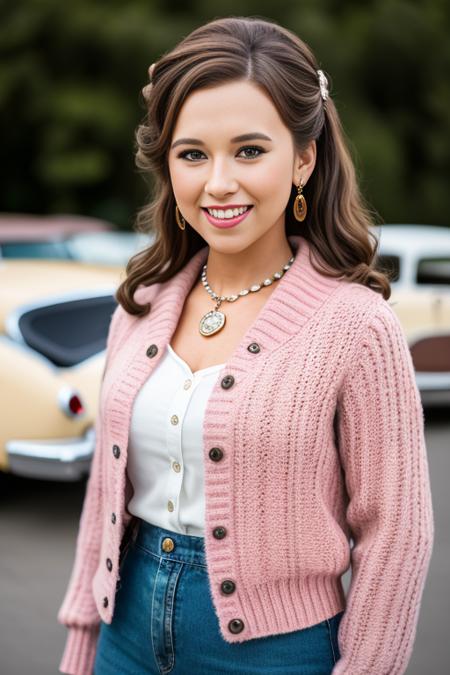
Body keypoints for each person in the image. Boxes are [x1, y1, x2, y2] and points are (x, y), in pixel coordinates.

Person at [57, 15, 434, 675]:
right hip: (122, 636)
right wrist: (82, 647)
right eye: (192, 153)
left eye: (250, 151)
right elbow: (102, 504)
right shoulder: (140, 307)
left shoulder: (356, 325)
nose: (218, 182)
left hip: (277, 654)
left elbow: (397, 533)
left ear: (305, 158)